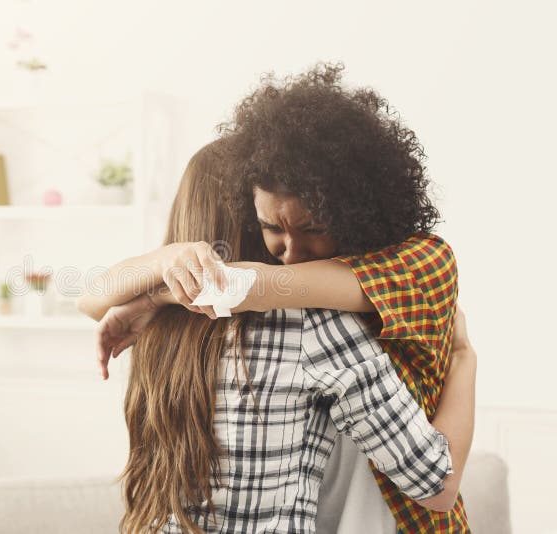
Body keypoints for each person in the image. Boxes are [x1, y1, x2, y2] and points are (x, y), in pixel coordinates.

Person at [79, 62, 474, 532]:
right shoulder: (313, 326)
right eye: (270, 227)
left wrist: (155, 295)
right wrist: (464, 357)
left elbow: (95, 296)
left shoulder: (157, 338)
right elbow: (437, 483)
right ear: (250, 218)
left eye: (312, 227)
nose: (290, 251)